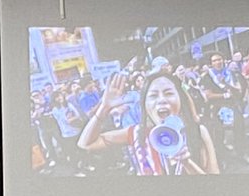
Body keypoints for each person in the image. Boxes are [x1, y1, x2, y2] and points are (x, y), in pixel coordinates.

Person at [78, 69, 219, 175]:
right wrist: (104, 107)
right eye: (153, 95)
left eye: (169, 93)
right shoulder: (136, 133)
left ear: (180, 99)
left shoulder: (198, 132)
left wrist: (186, 163)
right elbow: (86, 144)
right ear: (145, 105)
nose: (161, 100)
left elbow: (214, 187)